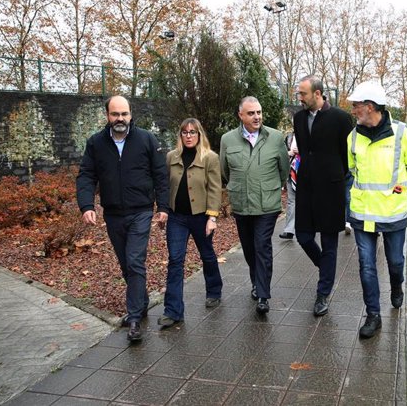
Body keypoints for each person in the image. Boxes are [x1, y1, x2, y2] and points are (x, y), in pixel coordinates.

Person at [76, 95, 169, 342]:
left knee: (135, 260)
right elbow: (86, 175)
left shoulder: (146, 139)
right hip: (114, 213)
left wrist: (163, 206)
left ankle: (135, 318)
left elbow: (161, 175)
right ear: (107, 115)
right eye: (115, 114)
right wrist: (86, 205)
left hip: (141, 211)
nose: (120, 119)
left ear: (131, 114)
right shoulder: (96, 143)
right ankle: (142, 300)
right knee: (126, 264)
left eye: (124, 114)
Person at [346, 80, 407, 338]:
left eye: (356, 106)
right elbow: (352, 170)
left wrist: (401, 192)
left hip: (393, 213)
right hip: (363, 214)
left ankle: (396, 286)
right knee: (366, 265)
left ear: (370, 107)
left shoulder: (403, 133)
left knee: (395, 261)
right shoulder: (353, 136)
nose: (354, 110)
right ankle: (373, 316)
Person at [219, 96, 289, 315]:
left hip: (267, 205)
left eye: (259, 112)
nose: (257, 117)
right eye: (251, 113)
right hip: (241, 204)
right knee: (249, 248)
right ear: (240, 115)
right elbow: (225, 171)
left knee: (262, 246)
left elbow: (283, 169)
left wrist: (271, 187)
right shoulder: (228, 140)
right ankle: (255, 281)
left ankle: (263, 295)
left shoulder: (276, 137)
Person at [293, 75, 353, 316]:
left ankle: (323, 294)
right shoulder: (298, 118)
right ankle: (325, 268)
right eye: (299, 93)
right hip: (306, 187)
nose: (299, 98)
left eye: (303, 94)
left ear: (317, 94)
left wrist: (336, 174)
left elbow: (347, 154)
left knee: (329, 243)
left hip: (331, 189)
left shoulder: (340, 118)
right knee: (303, 236)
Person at [158, 118, 223, 329]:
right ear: (180, 135)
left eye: (193, 132)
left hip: (201, 217)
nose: (188, 136)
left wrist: (212, 217)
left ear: (199, 134)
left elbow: (215, 188)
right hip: (177, 218)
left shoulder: (210, 158)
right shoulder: (171, 157)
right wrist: (163, 210)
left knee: (207, 254)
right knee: (175, 260)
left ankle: (214, 290)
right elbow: (165, 186)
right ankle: (173, 311)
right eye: (184, 132)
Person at [279, 124, 298, 240]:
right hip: (291, 172)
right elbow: (281, 152)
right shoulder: (289, 137)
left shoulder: (311, 134)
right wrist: (289, 152)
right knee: (291, 201)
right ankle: (289, 230)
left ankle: (312, 227)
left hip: (307, 174)